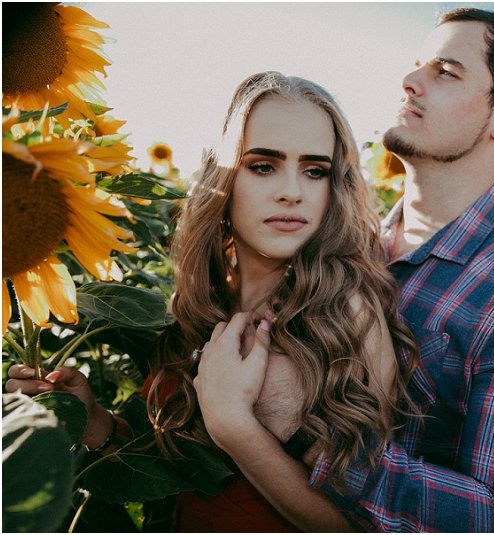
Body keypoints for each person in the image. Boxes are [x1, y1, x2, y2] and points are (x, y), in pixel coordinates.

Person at [6, 71, 420, 532]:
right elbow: (184, 466)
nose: (292, 191)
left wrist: (236, 427)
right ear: (224, 175)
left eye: (314, 170)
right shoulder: (199, 302)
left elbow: (359, 524)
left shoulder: (344, 315)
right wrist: (93, 421)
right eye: (263, 165)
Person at [254, 7, 494, 532]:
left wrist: (304, 432)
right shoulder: (335, 240)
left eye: (445, 72)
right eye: (418, 65)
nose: (410, 81)